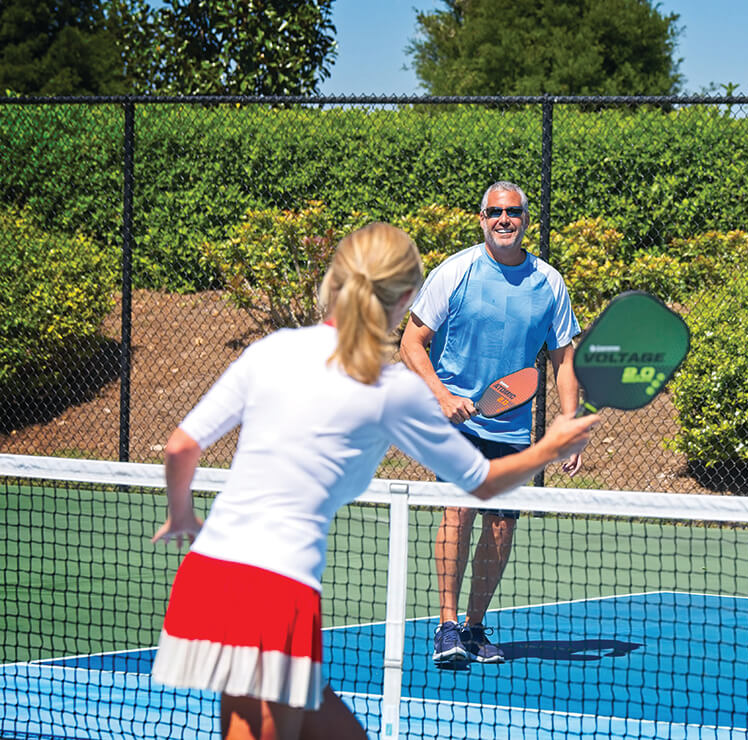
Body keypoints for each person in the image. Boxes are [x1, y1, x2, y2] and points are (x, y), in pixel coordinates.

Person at [150, 222, 597, 740]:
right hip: (275, 585)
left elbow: (180, 446)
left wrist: (181, 513)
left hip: (208, 573)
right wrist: (549, 447)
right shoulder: (390, 390)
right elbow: (482, 482)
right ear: (407, 297)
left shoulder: (270, 351)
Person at [399, 182, 583, 666]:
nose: (504, 219)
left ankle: (476, 628)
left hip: (513, 430)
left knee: (501, 529)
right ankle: (445, 626)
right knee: (457, 510)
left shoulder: (550, 283)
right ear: (481, 219)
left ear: (526, 219)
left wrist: (569, 422)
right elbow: (411, 343)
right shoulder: (454, 272)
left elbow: (565, 358)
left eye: (513, 212)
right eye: (495, 212)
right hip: (456, 424)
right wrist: (442, 396)